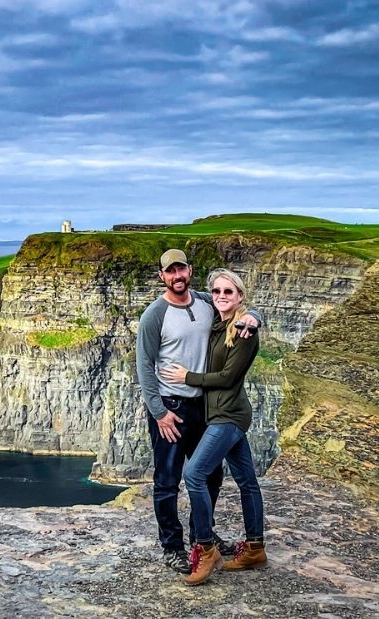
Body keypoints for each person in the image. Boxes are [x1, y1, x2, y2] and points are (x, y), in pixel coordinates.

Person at [136, 250, 261, 574]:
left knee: (211, 475)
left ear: (190, 271)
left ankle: (201, 537)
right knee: (167, 480)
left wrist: (255, 316)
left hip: (204, 406)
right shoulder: (155, 314)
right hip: (171, 408)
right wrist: (159, 412)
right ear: (162, 276)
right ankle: (172, 547)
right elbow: (145, 366)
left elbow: (234, 301)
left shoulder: (206, 301)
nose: (177, 276)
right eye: (170, 271)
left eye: (182, 269)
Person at [161, 268, 267, 586]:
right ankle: (255, 547)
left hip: (228, 416)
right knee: (247, 481)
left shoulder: (243, 330)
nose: (221, 296)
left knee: (194, 475)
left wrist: (186, 378)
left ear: (240, 296)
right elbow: (197, 298)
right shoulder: (219, 319)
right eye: (217, 291)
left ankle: (206, 548)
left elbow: (227, 378)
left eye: (229, 292)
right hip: (220, 414)